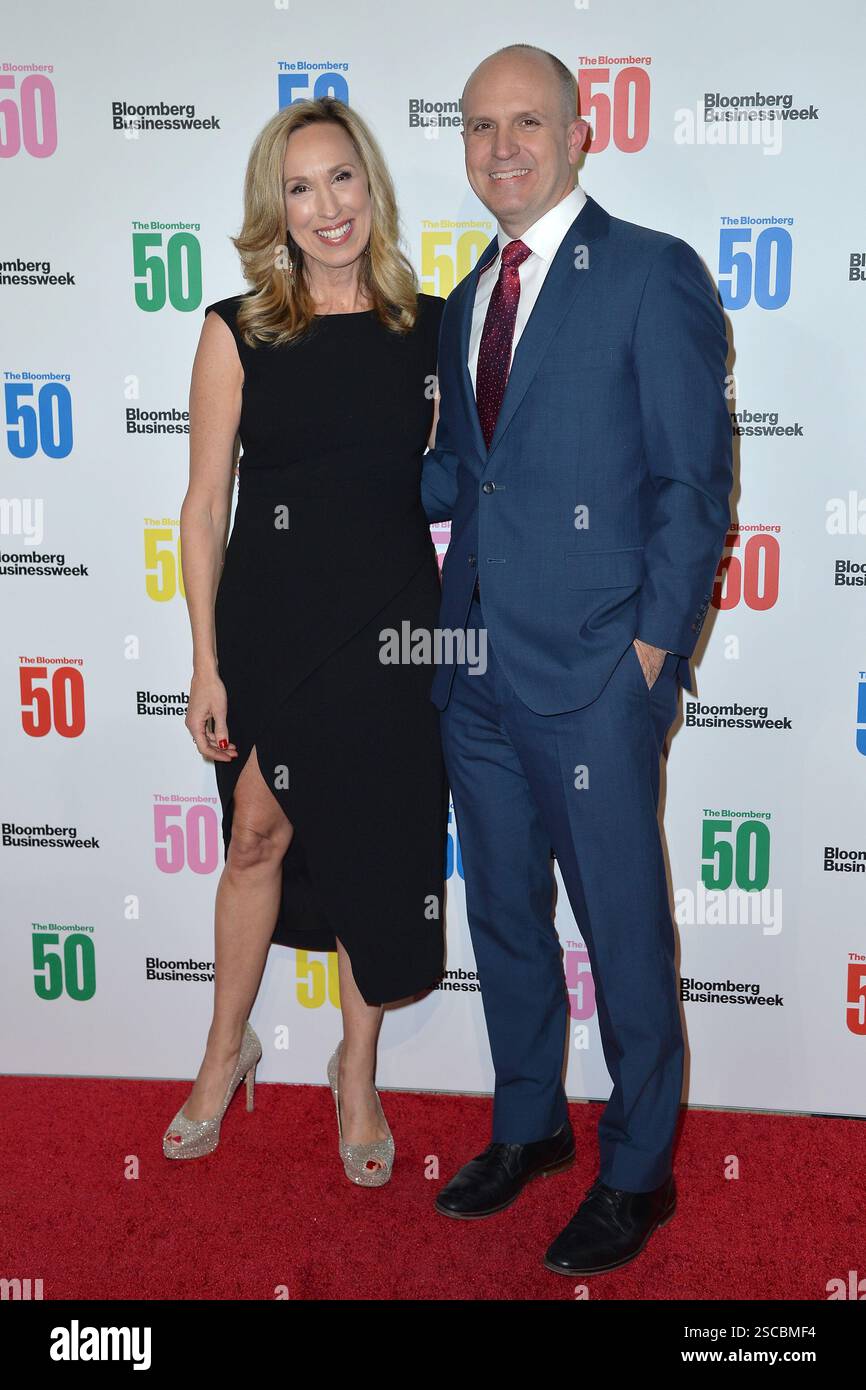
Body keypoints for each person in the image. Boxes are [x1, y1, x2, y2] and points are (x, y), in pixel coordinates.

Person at [422, 44, 732, 1272]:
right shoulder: (461, 299)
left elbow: (691, 485)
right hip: (472, 670)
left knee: (618, 929)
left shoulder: (649, 275)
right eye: (479, 126)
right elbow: (459, 475)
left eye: (525, 123)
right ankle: (527, 1124)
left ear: (576, 131)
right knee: (501, 914)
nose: (501, 146)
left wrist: (650, 656)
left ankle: (638, 1170)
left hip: (597, 675)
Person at [164, 96, 448, 1187]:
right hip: (271, 629)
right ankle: (221, 1049)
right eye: (300, 187)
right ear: (271, 209)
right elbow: (200, 508)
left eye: (342, 180)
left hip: (389, 628)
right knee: (254, 841)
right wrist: (202, 660)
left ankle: (356, 1071)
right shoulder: (237, 328)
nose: (327, 207)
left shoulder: (426, 327)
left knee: (375, 850)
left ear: (370, 187)